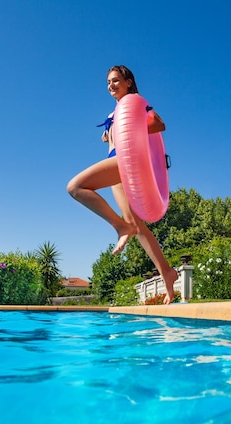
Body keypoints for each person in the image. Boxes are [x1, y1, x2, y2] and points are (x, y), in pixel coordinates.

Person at [66, 65, 178, 304]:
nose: (111, 86)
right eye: (108, 83)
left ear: (128, 81)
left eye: (116, 80)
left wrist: (128, 130)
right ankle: (167, 273)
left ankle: (119, 227)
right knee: (137, 225)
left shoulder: (135, 102)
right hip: (116, 163)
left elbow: (158, 124)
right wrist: (110, 132)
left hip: (126, 160)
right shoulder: (115, 111)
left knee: (76, 187)